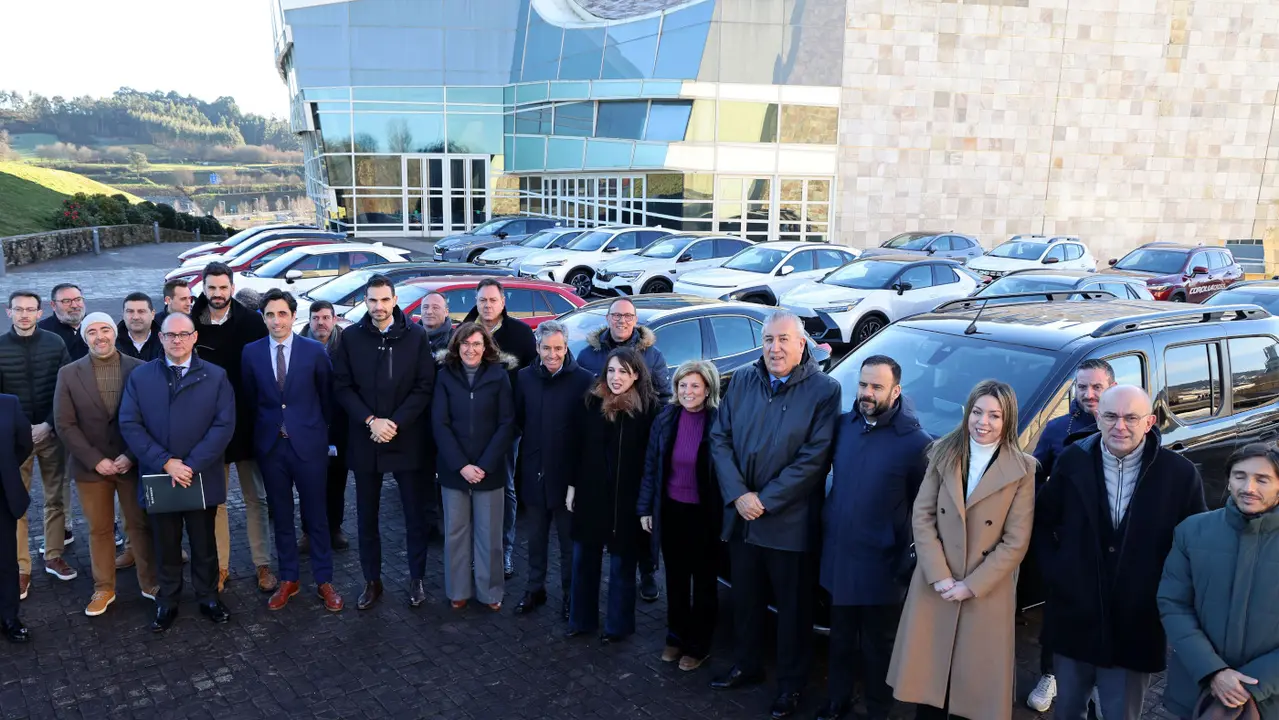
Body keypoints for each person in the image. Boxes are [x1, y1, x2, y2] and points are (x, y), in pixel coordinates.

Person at [1035, 385, 1206, 720]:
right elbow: (1041, 523)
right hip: (1074, 615)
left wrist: (1163, 592)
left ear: (1150, 422)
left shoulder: (1179, 475)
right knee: (1068, 709)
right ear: (1098, 417)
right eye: (1111, 416)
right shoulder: (1072, 461)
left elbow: (1193, 546)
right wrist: (1057, 571)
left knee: (1119, 714)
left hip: (1135, 623)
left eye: (1131, 417)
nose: (1120, 426)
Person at [709, 310, 840, 720]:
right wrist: (738, 495)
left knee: (792, 613)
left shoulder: (824, 390)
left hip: (787, 524)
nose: (774, 348)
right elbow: (720, 438)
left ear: (802, 344)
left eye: (784, 339)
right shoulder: (745, 379)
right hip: (742, 518)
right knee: (745, 602)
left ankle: (790, 686)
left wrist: (763, 500)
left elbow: (813, 459)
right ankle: (747, 666)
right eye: (768, 340)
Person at [887, 379, 1036, 720]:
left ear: (1007, 419)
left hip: (983, 592)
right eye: (978, 412)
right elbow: (922, 515)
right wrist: (939, 576)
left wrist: (971, 585)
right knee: (928, 689)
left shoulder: (1023, 469)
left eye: (994, 415)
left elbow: (1016, 540)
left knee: (971, 691)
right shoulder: (942, 452)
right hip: (935, 585)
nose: (983, 422)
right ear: (967, 413)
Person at [817, 355, 930, 720]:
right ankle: (838, 699)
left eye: (877, 387)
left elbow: (920, 506)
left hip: (882, 565)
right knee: (840, 640)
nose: (867, 393)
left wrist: (904, 555)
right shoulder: (844, 426)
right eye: (863, 384)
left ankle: (879, 709)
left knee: (879, 647)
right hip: (840, 556)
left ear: (896, 391)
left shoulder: (915, 444)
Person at [119, 312, 236, 632]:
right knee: (166, 544)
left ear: (195, 337)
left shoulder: (216, 376)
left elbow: (223, 426)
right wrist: (165, 462)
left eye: (183, 334)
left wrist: (190, 465)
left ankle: (208, 596)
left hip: (200, 476)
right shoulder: (141, 378)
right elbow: (130, 423)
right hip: (160, 476)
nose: (177, 340)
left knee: (203, 543)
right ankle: (168, 600)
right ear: (161, 338)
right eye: (171, 335)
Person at [332, 274, 436, 610]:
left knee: (413, 516)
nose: (378, 307)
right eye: (372, 300)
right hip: (366, 439)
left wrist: (395, 422)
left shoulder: (416, 336)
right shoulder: (350, 337)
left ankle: (416, 579)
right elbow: (343, 386)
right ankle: (372, 581)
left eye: (384, 300)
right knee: (366, 517)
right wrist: (370, 421)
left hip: (406, 438)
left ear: (395, 300)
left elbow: (424, 386)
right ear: (365, 301)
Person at [1158, 443, 1279, 719]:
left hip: (1271, 700)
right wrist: (1212, 671)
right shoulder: (1192, 531)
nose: (1248, 487)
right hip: (1198, 691)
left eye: (1262, 479)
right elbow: (1173, 603)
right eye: (1239, 476)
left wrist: (1251, 683)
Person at [241, 290, 342, 613]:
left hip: (309, 447)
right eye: (269, 315)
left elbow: (328, 399)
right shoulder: (251, 352)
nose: (276, 321)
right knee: (281, 516)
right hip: (272, 448)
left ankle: (324, 580)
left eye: (282, 314)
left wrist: (320, 436)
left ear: (293, 316)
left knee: (316, 516)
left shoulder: (313, 351)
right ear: (263, 318)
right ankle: (289, 578)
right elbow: (250, 399)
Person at [52, 313, 157, 617]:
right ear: (85, 337)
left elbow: (149, 418)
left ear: (114, 332)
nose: (100, 336)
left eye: (105, 330)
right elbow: (65, 424)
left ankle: (149, 582)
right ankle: (104, 587)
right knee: (100, 530)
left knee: (139, 526)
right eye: (92, 331)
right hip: (91, 467)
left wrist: (131, 455)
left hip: (130, 462)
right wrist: (96, 460)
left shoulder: (139, 369)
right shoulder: (69, 374)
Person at [1027, 358, 1116, 713]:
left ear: (1110, 386)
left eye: (1096, 387)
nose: (1089, 394)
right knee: (1058, 611)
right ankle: (1050, 674)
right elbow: (1035, 480)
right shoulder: (1056, 429)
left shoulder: (1125, 425)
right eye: (1082, 387)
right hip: (1068, 539)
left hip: (1111, 541)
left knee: (1108, 611)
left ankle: (1098, 680)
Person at [577, 297, 672, 602]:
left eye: (627, 316)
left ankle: (646, 572)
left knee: (637, 517)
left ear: (635, 319)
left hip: (635, 441)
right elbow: (585, 398)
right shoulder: (589, 354)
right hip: (603, 445)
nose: (621, 320)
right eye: (616, 315)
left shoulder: (653, 355)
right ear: (607, 318)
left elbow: (663, 396)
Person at [190, 261, 275, 594]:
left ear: (231, 286)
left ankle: (263, 564)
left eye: (223, 288)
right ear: (204, 287)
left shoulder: (252, 323)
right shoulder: (191, 324)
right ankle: (220, 566)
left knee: (258, 499)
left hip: (248, 424)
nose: (217, 294)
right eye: (211, 288)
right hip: (208, 428)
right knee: (216, 502)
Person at [566, 347, 660, 644]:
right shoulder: (591, 402)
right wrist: (572, 486)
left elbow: (651, 460)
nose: (616, 377)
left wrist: (646, 504)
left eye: (623, 371)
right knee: (584, 561)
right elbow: (576, 447)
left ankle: (618, 626)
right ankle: (581, 621)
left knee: (622, 565)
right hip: (592, 493)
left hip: (626, 500)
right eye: (611, 370)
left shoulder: (648, 409)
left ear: (636, 374)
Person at [638, 359, 722, 671]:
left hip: (703, 515)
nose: (688, 391)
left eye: (695, 386)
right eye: (682, 385)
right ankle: (675, 637)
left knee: (702, 582)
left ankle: (699, 646)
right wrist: (645, 507)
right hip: (671, 510)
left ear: (708, 388)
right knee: (675, 579)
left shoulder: (718, 421)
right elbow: (651, 466)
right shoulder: (666, 417)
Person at [432, 322, 516, 611]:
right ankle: (458, 590)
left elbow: (507, 423)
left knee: (489, 533)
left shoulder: (499, 376)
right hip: (454, 469)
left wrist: (484, 464)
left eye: (477, 344)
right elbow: (439, 424)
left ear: (486, 347)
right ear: (456, 346)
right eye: (465, 344)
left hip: (489, 468)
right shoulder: (444, 376)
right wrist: (461, 465)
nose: (471, 349)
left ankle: (490, 591)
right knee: (455, 532)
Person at [512, 320, 592, 619]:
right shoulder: (524, 378)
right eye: (546, 348)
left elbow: (587, 433)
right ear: (537, 347)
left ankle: (570, 594)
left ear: (566, 347)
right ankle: (535, 589)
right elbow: (518, 419)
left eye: (558, 348)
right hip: (533, 471)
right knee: (535, 540)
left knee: (569, 543)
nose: (552, 354)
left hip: (567, 477)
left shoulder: (583, 380)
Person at [0, 290, 74, 595]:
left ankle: (54, 555)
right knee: (16, 504)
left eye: (30, 309)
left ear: (40, 313)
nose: (24, 315)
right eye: (19, 310)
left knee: (55, 498)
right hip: (14, 442)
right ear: (9, 313)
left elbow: (64, 387)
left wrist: (47, 424)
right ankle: (20, 567)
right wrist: (20, 430)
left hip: (50, 433)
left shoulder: (55, 343)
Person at [463, 278, 536, 580]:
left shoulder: (520, 334)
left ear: (503, 302)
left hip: (508, 429)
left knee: (505, 488)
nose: (488, 305)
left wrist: (521, 423)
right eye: (482, 300)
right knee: (471, 490)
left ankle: (504, 551)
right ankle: (474, 552)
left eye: (493, 300)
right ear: (476, 301)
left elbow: (532, 381)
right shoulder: (465, 331)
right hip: (471, 429)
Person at [299, 300, 349, 550]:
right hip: (306, 425)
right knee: (308, 482)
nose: (321, 322)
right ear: (309, 320)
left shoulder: (346, 346)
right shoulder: (297, 346)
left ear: (335, 319)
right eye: (316, 317)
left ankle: (334, 528)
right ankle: (308, 531)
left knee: (337, 479)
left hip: (339, 424)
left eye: (326, 317)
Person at [0, 392, 32, 643]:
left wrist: (6, 468)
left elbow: (24, 445)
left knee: (6, 560)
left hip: (2, 496)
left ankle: (9, 618)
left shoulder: (9, 403)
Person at [39, 282, 88, 361]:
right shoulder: (40, 331)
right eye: (66, 301)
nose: (74, 305)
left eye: (78, 299)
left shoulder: (98, 326)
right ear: (53, 305)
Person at [116, 292, 164, 361]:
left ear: (153, 314)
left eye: (141, 311)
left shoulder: (166, 342)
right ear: (123, 314)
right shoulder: (112, 344)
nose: (136, 317)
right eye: (130, 311)